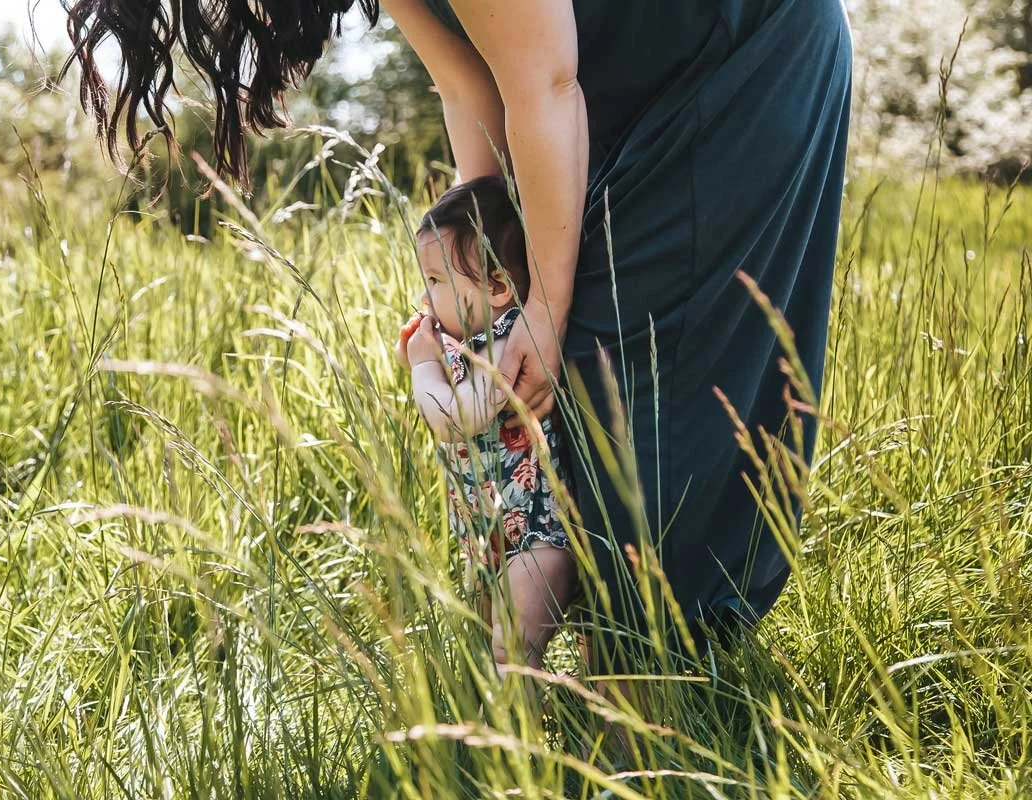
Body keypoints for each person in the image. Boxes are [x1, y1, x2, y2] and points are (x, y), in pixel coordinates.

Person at [62, 0, 853, 672]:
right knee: (570, 386)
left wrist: (542, 315)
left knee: (637, 372)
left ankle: (652, 709)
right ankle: (588, 699)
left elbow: (542, 80)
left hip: (737, 60)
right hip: (607, 85)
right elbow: (467, 81)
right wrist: (477, 269)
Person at [396, 176, 576, 674]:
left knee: (511, 652)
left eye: (437, 281)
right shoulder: (467, 342)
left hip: (536, 536)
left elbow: (458, 418)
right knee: (486, 651)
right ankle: (509, 735)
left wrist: (423, 368)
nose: (425, 295)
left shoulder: (505, 340)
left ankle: (519, 748)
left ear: (497, 287)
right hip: (487, 533)